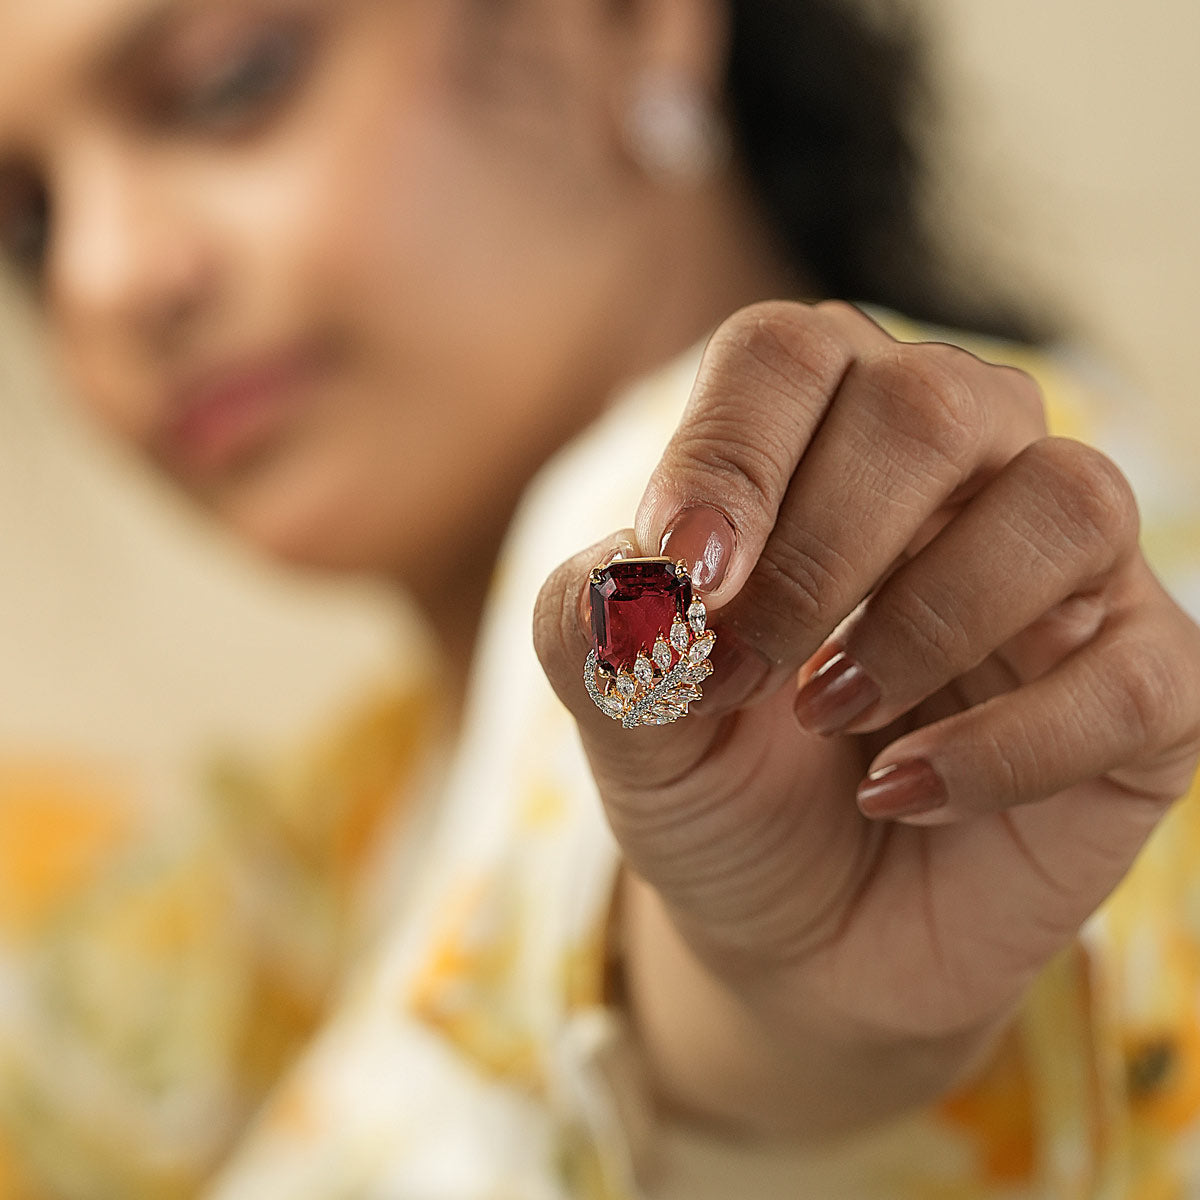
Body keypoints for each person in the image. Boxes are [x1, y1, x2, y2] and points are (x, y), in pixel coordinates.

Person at [0, 0, 1197, 1195]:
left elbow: (738, 954)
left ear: (625, 21)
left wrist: (762, 1027)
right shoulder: (283, 877)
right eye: (29, 219)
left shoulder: (1028, 598)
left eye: (226, 83)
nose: (102, 277)